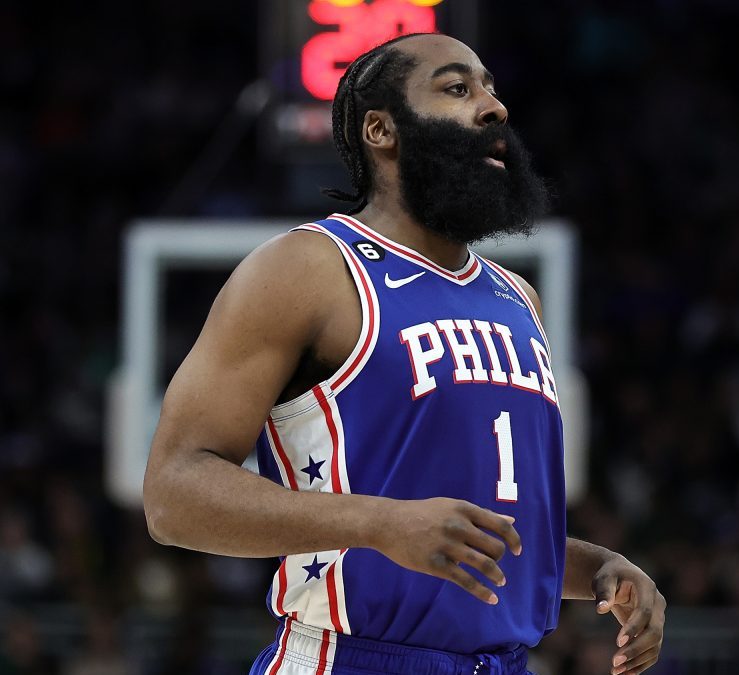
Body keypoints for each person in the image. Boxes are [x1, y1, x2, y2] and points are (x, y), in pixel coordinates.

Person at [142, 33, 666, 675]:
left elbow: (478, 532)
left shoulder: (518, 297)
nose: (495, 107)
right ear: (381, 130)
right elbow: (173, 495)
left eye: (491, 88)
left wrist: (597, 567)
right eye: (457, 89)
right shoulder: (308, 269)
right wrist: (378, 523)